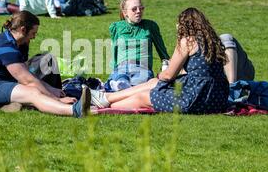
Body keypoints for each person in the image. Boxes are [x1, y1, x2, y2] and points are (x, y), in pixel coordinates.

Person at [90, 7, 230, 114]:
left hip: (195, 98)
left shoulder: (188, 41)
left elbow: (169, 75)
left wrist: (160, 75)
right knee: (154, 83)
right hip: (217, 98)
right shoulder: (213, 41)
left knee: (143, 97)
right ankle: (106, 98)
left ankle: (104, 104)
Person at [0, 11, 90, 117]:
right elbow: (27, 80)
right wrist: (55, 99)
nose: (34, 37)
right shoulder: (5, 47)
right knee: (33, 92)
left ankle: (14, 104)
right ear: (23, 30)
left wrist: (51, 89)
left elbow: (26, 73)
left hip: (4, 83)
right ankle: (75, 110)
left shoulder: (19, 43)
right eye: (33, 33)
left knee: (44, 68)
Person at [105, 0, 170, 92]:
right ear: (125, 12)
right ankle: (121, 84)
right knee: (120, 77)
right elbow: (114, 50)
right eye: (134, 9)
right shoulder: (117, 27)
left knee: (138, 83)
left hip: (142, 68)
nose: (138, 11)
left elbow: (161, 49)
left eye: (141, 8)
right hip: (122, 67)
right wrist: (113, 69)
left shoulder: (150, 26)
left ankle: (124, 88)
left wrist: (167, 64)